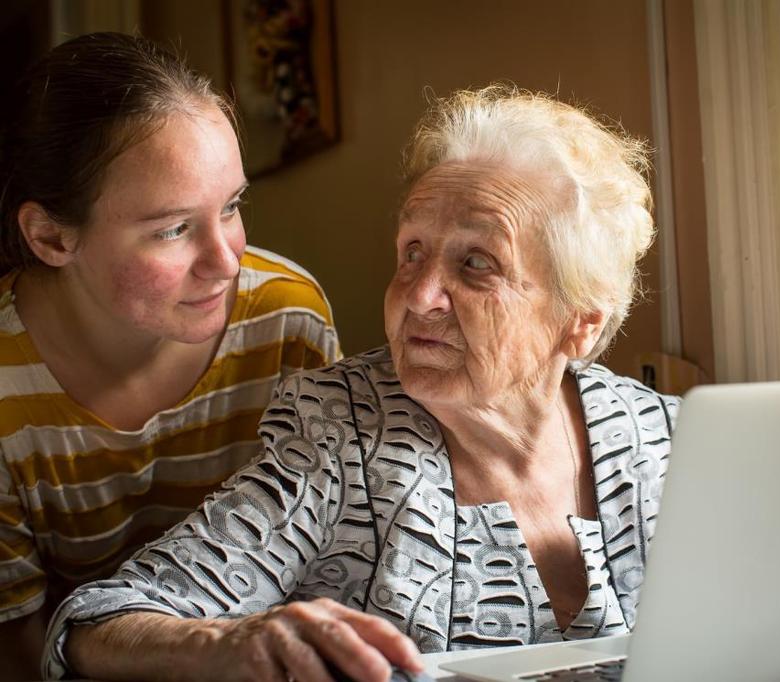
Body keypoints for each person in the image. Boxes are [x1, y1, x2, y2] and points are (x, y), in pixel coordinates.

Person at [43, 85, 680, 682]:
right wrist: (227, 641)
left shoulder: (670, 439)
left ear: (578, 323)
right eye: (412, 252)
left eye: (475, 263)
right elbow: (97, 620)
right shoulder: (339, 435)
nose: (421, 295)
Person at [0, 32, 341, 679]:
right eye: (173, 229)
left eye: (233, 206)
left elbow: (322, 561)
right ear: (50, 236)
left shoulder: (288, 323)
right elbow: (15, 654)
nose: (226, 260)